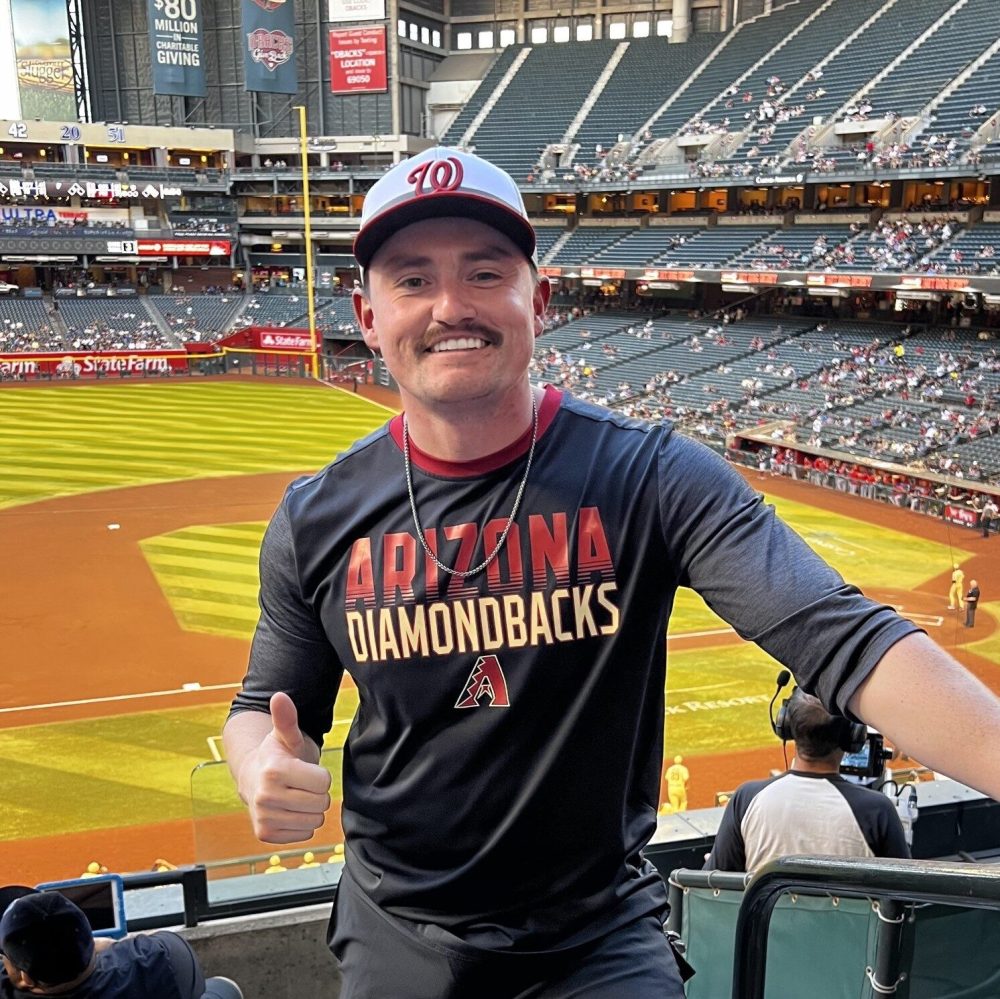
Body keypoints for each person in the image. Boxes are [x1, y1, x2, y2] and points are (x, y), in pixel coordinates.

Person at [223, 146, 1000, 999]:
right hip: (395, 930)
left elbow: (841, 635)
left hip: (596, 933)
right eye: (413, 280)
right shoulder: (316, 517)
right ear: (368, 314)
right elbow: (264, 705)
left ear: (539, 299)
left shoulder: (650, 475)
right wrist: (260, 764)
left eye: (485, 273)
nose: (451, 306)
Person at [703, 691, 910, 872]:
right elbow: (904, 897)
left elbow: (711, 884)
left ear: (786, 727)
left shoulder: (747, 798)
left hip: (765, 918)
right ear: (852, 737)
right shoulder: (878, 810)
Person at [0, 890, 242, 998]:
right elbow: (167, 943)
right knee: (224, 986)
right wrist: (110, 946)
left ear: (25, 978)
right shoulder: (158, 960)